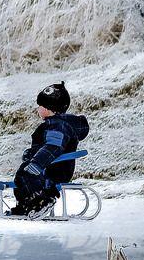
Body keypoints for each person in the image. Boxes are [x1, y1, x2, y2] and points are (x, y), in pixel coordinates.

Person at [10, 82, 88, 217]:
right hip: (52, 167)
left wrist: (36, 163)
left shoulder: (57, 126)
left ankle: (42, 201)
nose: (38, 109)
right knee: (23, 175)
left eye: (40, 106)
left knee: (25, 175)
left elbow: (53, 147)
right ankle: (27, 206)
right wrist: (30, 154)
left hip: (53, 170)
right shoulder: (56, 125)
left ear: (48, 108)